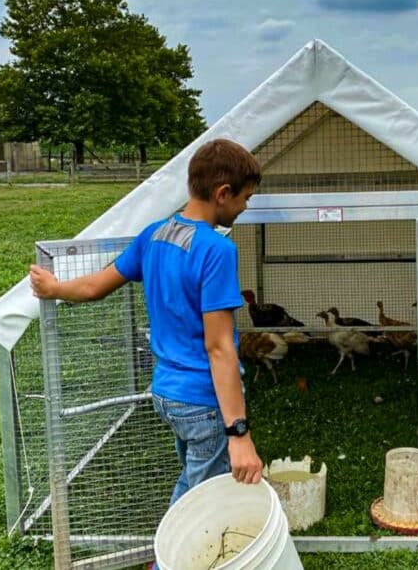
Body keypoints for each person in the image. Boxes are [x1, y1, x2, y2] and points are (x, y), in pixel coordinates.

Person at [29, 139, 264, 505]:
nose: (245, 207)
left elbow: (94, 287)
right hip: (203, 400)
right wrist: (239, 433)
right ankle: (170, 558)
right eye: (245, 198)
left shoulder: (153, 234)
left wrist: (54, 287)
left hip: (167, 394)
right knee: (203, 502)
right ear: (222, 193)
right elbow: (218, 348)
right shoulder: (216, 249)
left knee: (193, 482)